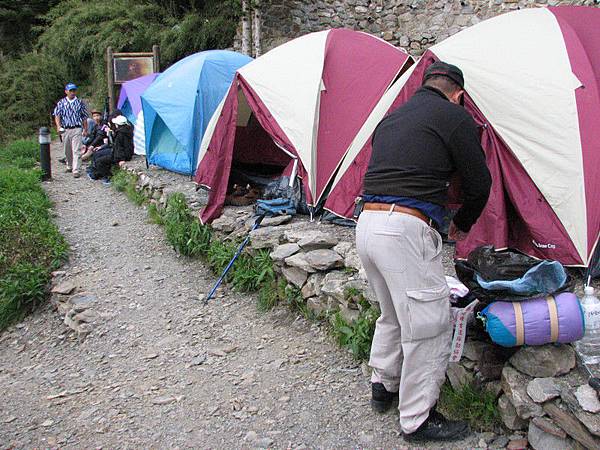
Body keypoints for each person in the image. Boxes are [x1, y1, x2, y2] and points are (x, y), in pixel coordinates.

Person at [356, 61, 492, 442]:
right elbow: (480, 182)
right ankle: (417, 418)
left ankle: (383, 385)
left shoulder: (393, 118)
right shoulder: (454, 117)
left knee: (393, 313)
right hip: (405, 229)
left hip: (366, 223)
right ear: (458, 95)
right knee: (429, 324)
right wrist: (463, 223)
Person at [53, 83, 89, 178]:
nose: (72, 92)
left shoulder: (80, 102)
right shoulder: (61, 103)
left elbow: (84, 117)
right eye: (70, 91)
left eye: (74, 91)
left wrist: (85, 129)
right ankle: (69, 165)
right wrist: (58, 126)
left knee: (76, 150)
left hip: (77, 128)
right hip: (65, 129)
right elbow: (57, 115)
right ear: (66, 92)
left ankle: (76, 169)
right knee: (67, 150)